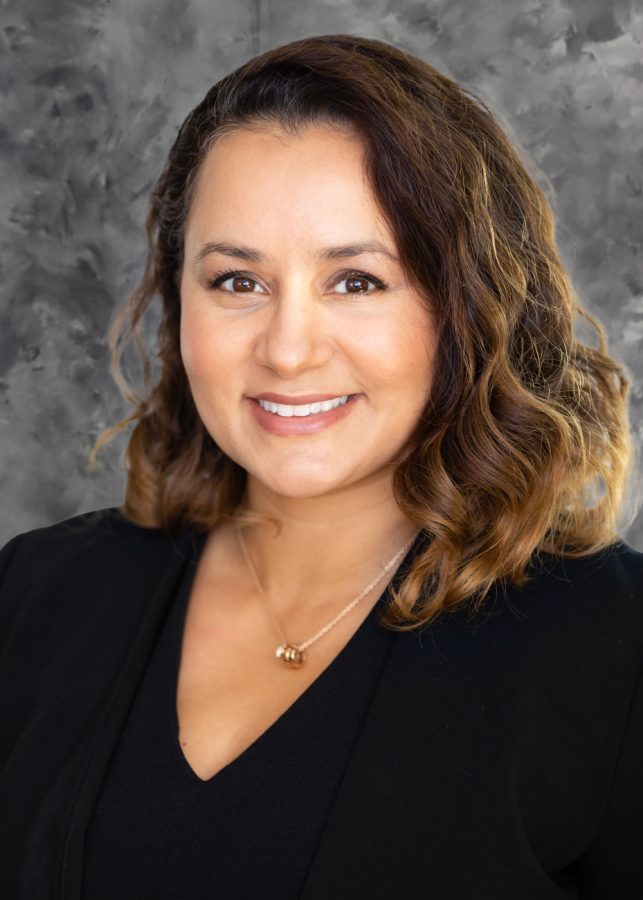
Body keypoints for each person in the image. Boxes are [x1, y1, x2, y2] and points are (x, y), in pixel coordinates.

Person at [0, 33, 641, 900]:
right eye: (236, 281)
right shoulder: (35, 596)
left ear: (464, 304)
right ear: (176, 296)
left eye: (356, 281)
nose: (288, 350)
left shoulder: (610, 645)